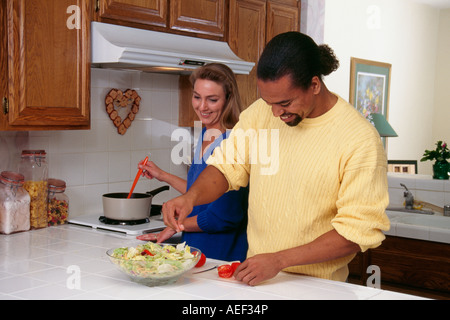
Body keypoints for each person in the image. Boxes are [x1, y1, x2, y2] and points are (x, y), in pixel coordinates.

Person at [162, 32, 391, 285]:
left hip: (319, 288)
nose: (275, 112)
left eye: (284, 102)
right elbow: (226, 166)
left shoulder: (359, 139)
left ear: (314, 85)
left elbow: (356, 231)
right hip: (257, 279)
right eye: (268, 101)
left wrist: (279, 260)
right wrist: (189, 197)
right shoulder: (261, 114)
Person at [137, 63, 248, 262]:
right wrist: (163, 176)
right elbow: (201, 194)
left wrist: (174, 226)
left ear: (228, 99)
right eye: (197, 97)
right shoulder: (206, 133)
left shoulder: (234, 141)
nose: (202, 107)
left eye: (212, 100)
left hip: (222, 256)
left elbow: (223, 216)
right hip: (194, 251)